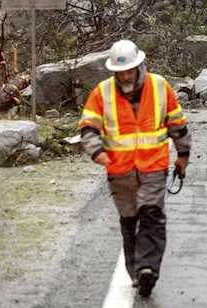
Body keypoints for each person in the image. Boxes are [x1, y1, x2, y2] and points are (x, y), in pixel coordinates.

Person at [79, 39, 191, 297]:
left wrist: (183, 155)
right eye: (121, 72)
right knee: (129, 221)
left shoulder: (160, 86)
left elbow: (177, 123)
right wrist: (96, 151)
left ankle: (147, 269)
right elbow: (88, 128)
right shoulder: (102, 92)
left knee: (151, 216)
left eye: (130, 70)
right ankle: (135, 271)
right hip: (119, 171)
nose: (126, 75)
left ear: (139, 65)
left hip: (154, 166)